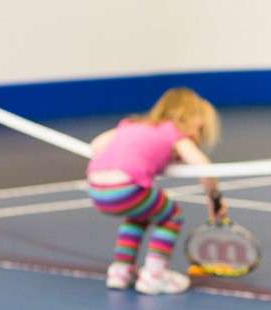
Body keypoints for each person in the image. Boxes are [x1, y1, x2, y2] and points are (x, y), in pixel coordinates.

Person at [86, 87, 224, 295]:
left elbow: (96, 145)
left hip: (96, 188)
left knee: (139, 215)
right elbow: (202, 165)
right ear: (193, 118)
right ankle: (154, 275)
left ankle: (120, 271)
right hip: (128, 187)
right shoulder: (174, 132)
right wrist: (214, 198)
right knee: (171, 215)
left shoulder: (132, 124)